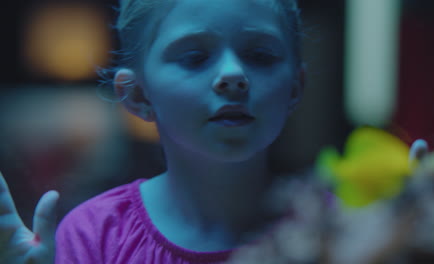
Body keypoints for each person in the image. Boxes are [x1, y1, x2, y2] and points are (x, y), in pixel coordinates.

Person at [0, 0, 306, 263]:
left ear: (295, 88)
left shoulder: (334, 228)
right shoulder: (97, 234)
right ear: (138, 95)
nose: (233, 74)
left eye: (260, 56)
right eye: (195, 58)